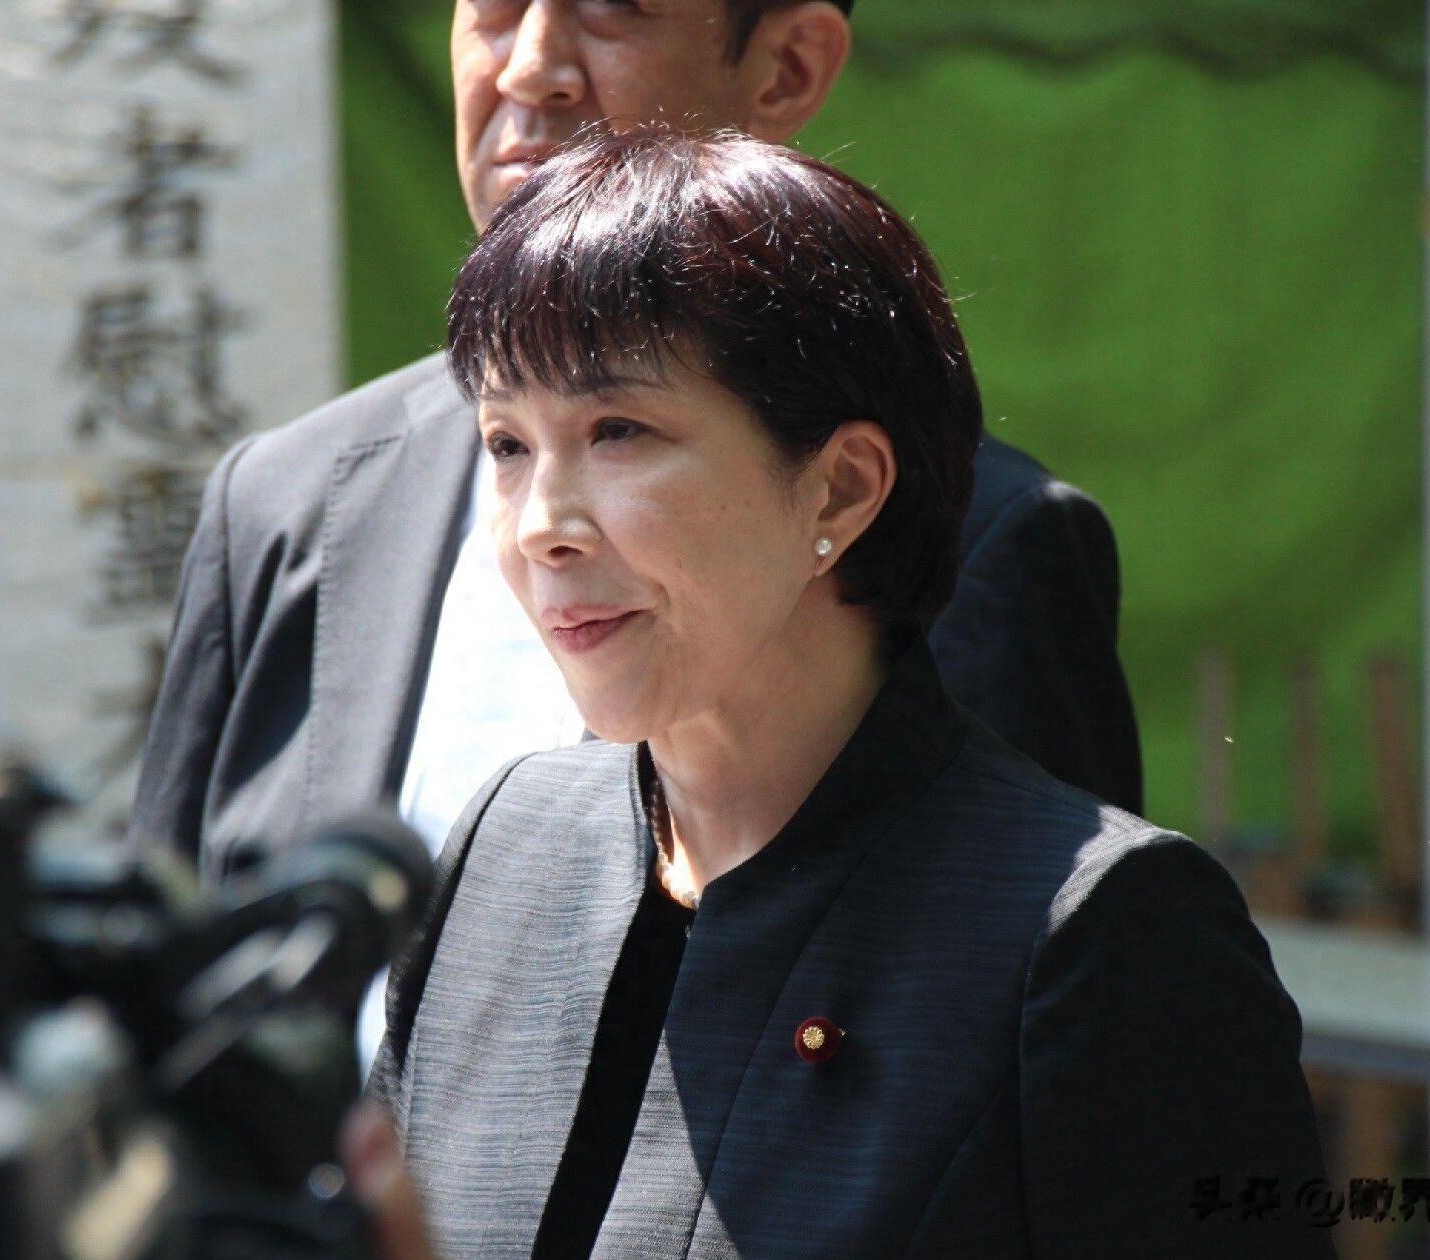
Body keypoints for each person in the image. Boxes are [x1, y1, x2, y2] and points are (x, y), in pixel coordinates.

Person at [354, 126, 1334, 1259]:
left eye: (617, 431)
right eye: (507, 444)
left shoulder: (1096, 934)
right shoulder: (508, 841)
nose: (540, 528)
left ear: (841, 488)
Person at [132, 0, 1141, 893]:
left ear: (787, 66)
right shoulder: (285, 500)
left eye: (615, 6)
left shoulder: (989, 545)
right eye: (491, 5)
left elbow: (1015, 971)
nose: (531, 66)